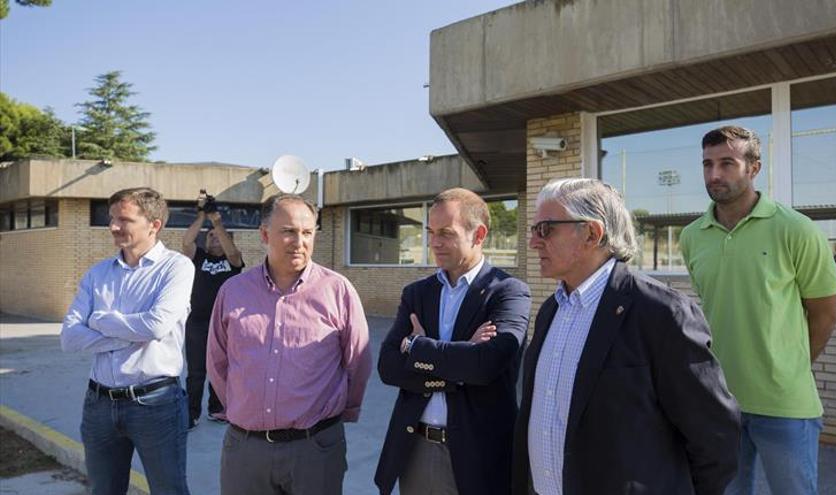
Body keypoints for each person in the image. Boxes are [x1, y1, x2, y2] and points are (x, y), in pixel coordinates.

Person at [512, 178, 740, 495]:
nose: (534, 242)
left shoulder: (662, 313)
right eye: (533, 230)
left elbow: (715, 436)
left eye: (545, 229)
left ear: (591, 233)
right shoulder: (552, 309)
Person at [680, 125, 836, 494]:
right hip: (720, 401)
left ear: (754, 168)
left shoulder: (796, 229)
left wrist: (788, 367)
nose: (714, 174)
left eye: (727, 163)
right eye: (707, 164)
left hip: (785, 404)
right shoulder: (692, 236)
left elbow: (825, 314)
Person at [207, 193, 371, 495]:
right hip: (246, 451)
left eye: (307, 232)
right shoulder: (233, 291)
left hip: (315, 449)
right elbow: (218, 363)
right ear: (265, 234)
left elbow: (357, 363)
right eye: (288, 232)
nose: (299, 241)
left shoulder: (337, 290)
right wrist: (242, 407)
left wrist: (334, 415)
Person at [375, 188, 531, 495]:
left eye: (446, 233)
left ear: (479, 234)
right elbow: (388, 367)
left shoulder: (508, 292)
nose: (434, 242)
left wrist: (417, 347)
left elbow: (486, 366)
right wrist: (460, 364)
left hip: (479, 455)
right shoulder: (417, 293)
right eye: (431, 232)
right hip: (416, 449)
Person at [60, 187, 195, 495]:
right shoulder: (98, 274)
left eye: (124, 220)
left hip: (156, 405)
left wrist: (100, 321)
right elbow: (69, 338)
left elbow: (155, 326)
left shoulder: (176, 268)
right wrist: (125, 338)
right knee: (103, 490)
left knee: (169, 490)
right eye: (112, 219)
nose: (113, 227)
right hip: (98, 405)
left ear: (154, 224)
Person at [181, 198, 243, 429]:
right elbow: (187, 241)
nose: (214, 238)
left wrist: (217, 223)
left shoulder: (233, 261)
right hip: (197, 322)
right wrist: (201, 217)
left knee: (222, 368)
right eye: (210, 236)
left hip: (225, 324)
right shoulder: (199, 258)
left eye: (218, 236)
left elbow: (233, 252)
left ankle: (217, 409)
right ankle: (191, 413)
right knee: (196, 371)